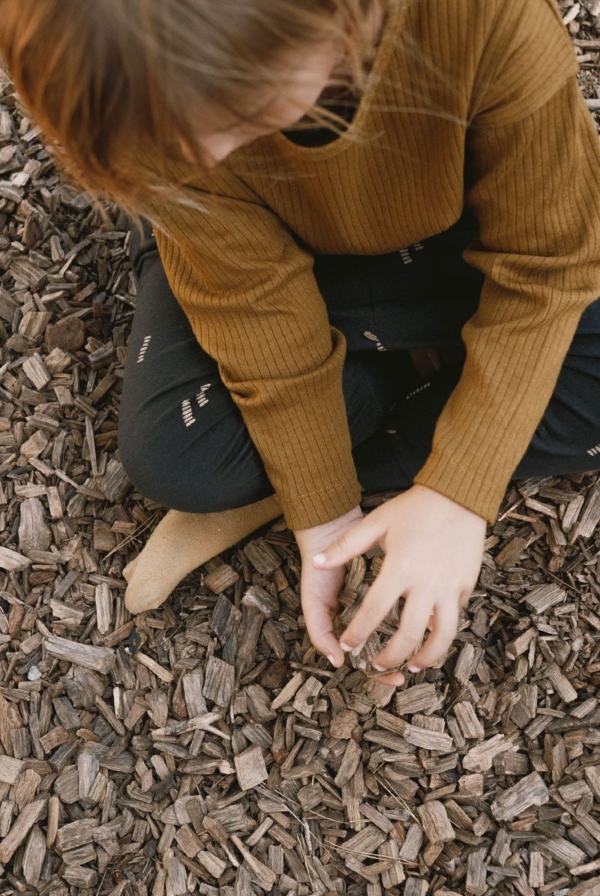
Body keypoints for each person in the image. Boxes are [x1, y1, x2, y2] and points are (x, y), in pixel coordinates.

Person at [2, 0, 600, 688]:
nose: (198, 155)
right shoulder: (165, 121)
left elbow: (548, 261)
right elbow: (253, 302)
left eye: (223, 115)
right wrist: (322, 510)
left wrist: (459, 490)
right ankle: (370, 395)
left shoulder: (479, 17)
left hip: (457, 235)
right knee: (179, 458)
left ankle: (331, 420)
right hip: (252, 253)